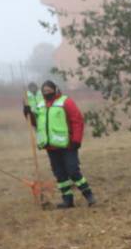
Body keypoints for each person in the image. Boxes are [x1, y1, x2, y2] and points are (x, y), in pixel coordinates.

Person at [36, 80, 95, 208]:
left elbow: (77, 121)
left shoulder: (66, 102)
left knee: (73, 170)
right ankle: (67, 200)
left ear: (55, 89)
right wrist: (27, 112)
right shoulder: (40, 105)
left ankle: (88, 195)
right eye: (44, 91)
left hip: (68, 145)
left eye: (49, 90)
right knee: (60, 174)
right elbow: (38, 123)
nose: (47, 93)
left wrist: (76, 140)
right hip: (51, 146)